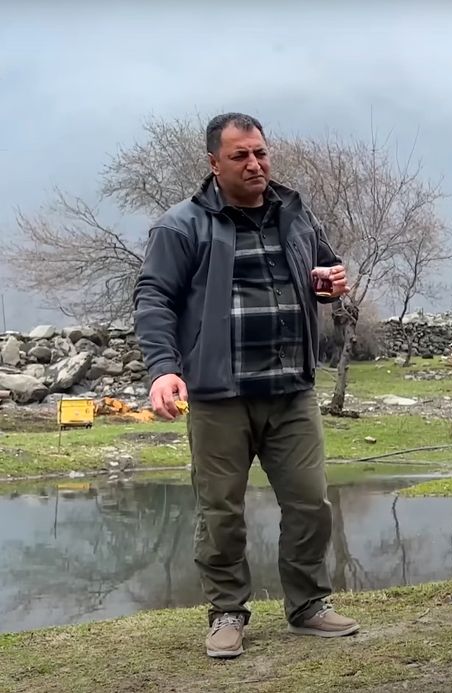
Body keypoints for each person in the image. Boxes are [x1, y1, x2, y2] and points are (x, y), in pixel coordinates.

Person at [132, 112, 359, 659]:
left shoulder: (296, 217)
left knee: (309, 504)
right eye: (240, 156)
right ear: (214, 164)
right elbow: (153, 297)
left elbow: (323, 269)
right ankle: (227, 612)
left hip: (291, 391)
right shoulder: (182, 225)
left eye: (260, 152)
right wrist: (163, 368)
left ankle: (308, 606)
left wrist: (329, 282)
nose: (255, 164)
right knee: (221, 511)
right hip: (217, 396)